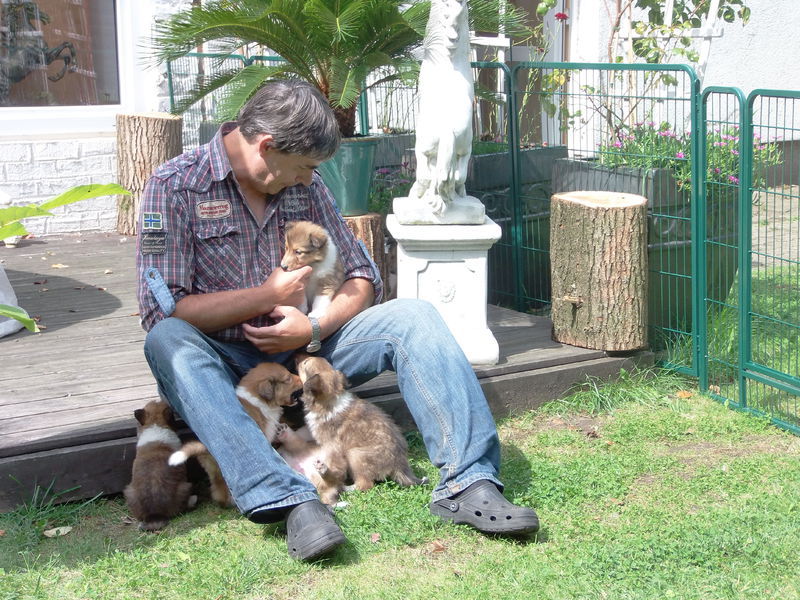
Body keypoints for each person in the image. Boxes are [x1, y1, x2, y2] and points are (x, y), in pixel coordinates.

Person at [136, 79, 539, 561]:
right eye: (306, 166)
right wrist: (267, 296)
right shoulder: (174, 186)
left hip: (311, 351)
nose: (310, 180)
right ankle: (289, 500)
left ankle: (467, 482)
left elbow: (364, 278)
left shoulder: (305, 186)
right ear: (267, 147)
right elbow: (165, 308)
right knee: (167, 340)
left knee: (414, 316)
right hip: (223, 365)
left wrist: (313, 328)